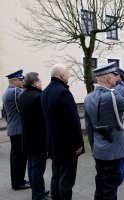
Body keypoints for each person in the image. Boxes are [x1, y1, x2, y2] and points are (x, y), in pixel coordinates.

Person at [84, 62, 124, 200]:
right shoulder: (112, 96)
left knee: (100, 186)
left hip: (99, 150)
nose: (118, 79)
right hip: (114, 152)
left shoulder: (88, 98)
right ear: (109, 79)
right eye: (116, 76)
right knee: (111, 188)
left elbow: (89, 127)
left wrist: (95, 148)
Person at [41, 64, 84, 200]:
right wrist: (78, 144)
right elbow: (73, 121)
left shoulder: (45, 92)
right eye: (68, 73)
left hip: (53, 144)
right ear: (62, 75)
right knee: (66, 180)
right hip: (67, 145)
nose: (69, 76)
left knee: (56, 176)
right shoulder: (63, 92)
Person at [18, 72, 51, 200]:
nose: (42, 83)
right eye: (40, 81)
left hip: (27, 138)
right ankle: (38, 195)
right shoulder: (38, 96)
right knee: (37, 169)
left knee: (32, 166)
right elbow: (44, 119)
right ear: (35, 83)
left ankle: (38, 191)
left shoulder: (22, 95)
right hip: (38, 139)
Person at [2, 69, 31, 190]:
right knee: (20, 158)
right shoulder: (14, 91)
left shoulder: (7, 92)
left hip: (13, 128)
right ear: (14, 81)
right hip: (18, 130)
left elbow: (5, 113)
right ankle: (18, 183)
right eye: (20, 79)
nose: (22, 81)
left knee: (16, 158)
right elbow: (24, 104)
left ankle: (18, 180)